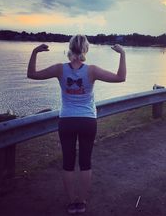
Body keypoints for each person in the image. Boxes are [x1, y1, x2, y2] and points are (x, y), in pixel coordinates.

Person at [27, 34, 126, 214]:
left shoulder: (59, 69)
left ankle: (71, 202)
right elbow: (121, 78)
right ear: (85, 50)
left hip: (67, 121)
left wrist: (35, 52)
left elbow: (31, 74)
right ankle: (82, 202)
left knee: (68, 162)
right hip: (88, 120)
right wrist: (122, 54)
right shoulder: (92, 70)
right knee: (85, 162)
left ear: (70, 48)